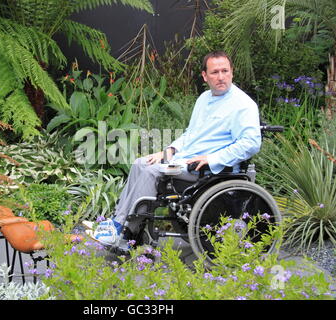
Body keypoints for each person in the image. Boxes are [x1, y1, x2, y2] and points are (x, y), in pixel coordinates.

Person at [87, 50, 262, 246]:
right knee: (139, 163)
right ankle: (117, 222)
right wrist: (168, 151)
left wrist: (212, 159)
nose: (221, 77)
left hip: (209, 169)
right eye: (214, 72)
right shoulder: (204, 99)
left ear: (232, 72)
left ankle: (125, 230)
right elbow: (191, 134)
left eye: (225, 71)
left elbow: (251, 143)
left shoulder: (243, 105)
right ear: (205, 76)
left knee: (152, 172)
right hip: (184, 159)